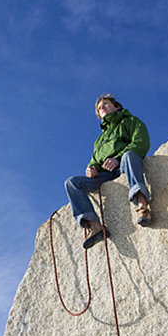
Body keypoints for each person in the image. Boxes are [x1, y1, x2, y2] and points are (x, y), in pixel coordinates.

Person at [65, 94, 151, 249]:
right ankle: (94, 226)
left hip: (124, 166)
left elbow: (141, 142)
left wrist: (118, 159)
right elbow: (94, 161)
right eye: (99, 108)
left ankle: (142, 204)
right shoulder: (100, 140)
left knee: (129, 155)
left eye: (105, 104)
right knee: (72, 183)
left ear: (116, 106)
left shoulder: (130, 122)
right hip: (105, 174)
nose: (102, 108)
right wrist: (91, 170)